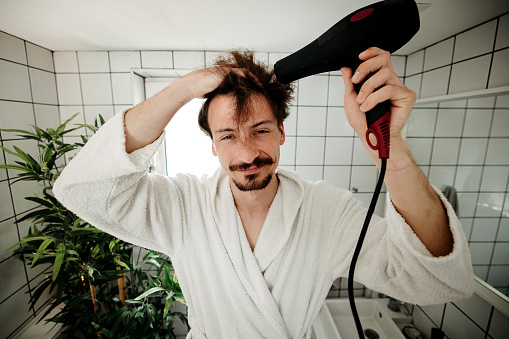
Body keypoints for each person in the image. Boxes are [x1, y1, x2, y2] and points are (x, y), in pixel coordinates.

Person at [53, 48, 474, 339]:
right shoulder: (183, 206)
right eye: (228, 136)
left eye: (260, 131)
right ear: (212, 146)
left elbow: (434, 277)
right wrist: (183, 89)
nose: (248, 153)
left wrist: (391, 148)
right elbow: (88, 188)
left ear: (282, 133)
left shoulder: (326, 210)